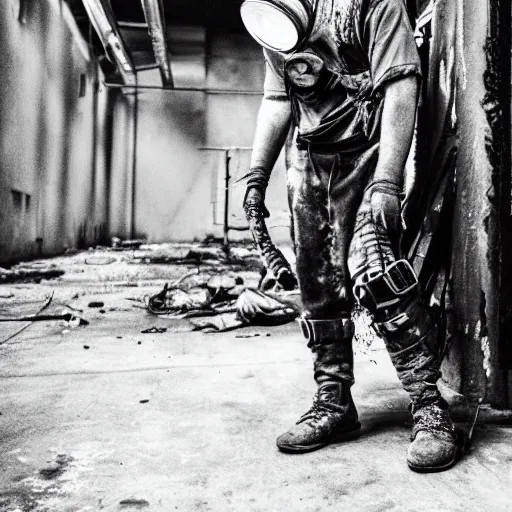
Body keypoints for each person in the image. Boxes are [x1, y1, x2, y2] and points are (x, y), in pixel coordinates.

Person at [240, 0, 460, 472]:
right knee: (317, 283)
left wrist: (387, 183)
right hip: (311, 156)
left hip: (372, 150)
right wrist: (257, 177)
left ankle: (428, 406)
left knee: (376, 271)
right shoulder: (272, 16)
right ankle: (333, 400)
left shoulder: (373, 6)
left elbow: (402, 86)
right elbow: (278, 99)